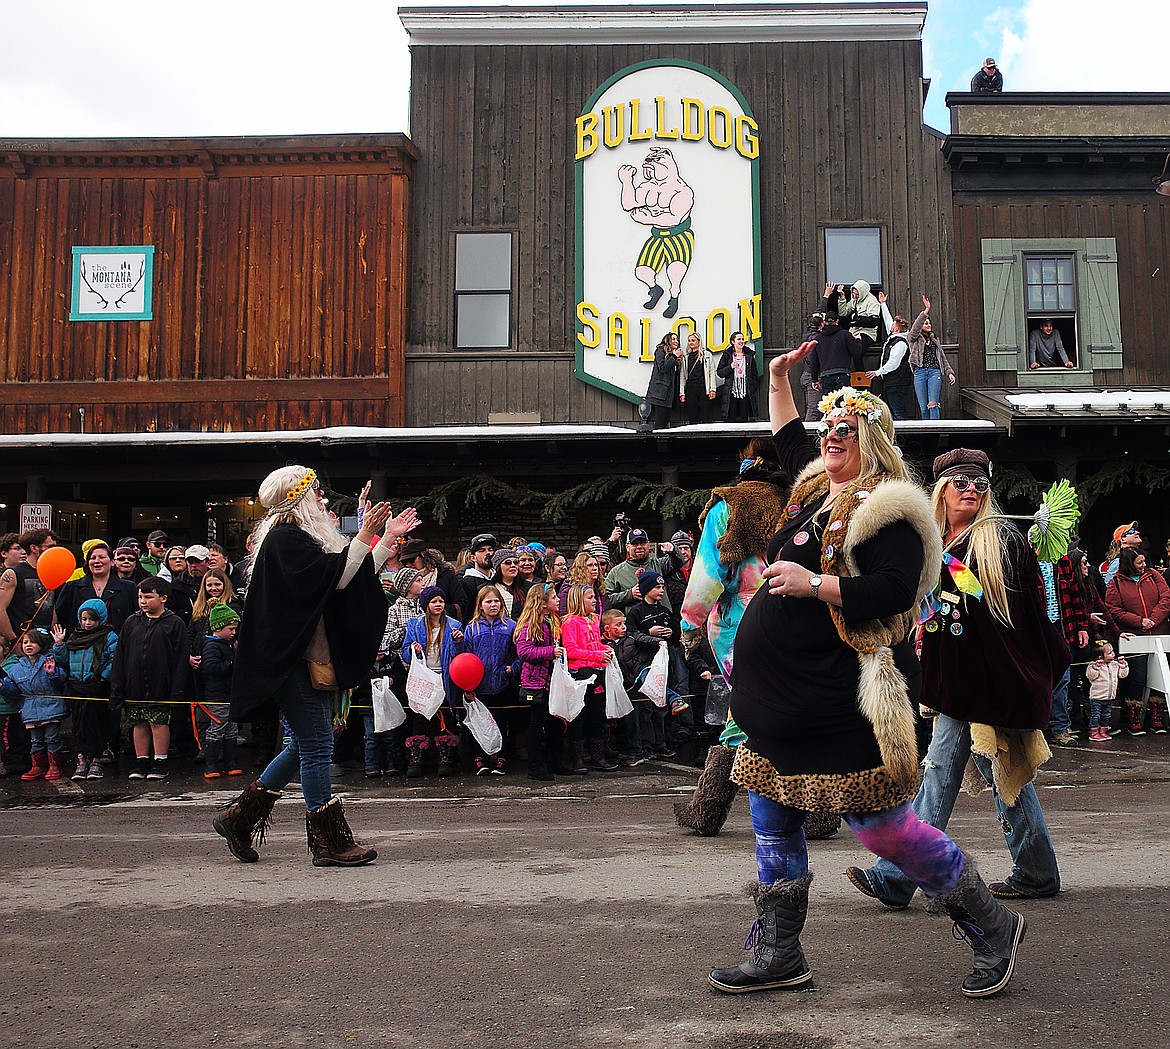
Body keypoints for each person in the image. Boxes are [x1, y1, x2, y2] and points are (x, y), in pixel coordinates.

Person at [708, 344, 1027, 1001]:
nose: (828, 436)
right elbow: (788, 432)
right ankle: (779, 951)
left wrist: (813, 583)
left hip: (845, 702)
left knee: (882, 829)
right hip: (782, 702)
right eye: (827, 428)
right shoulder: (818, 491)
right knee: (771, 810)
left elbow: (893, 588)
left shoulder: (891, 511)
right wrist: (777, 379)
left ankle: (992, 924)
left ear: (872, 440)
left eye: (843, 430)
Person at [846, 447, 1066, 912]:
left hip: (992, 685)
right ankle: (1027, 871)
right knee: (945, 775)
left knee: (997, 776)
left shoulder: (999, 540)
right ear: (941, 490)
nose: (971, 491)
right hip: (958, 688)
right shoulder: (934, 545)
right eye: (960, 483)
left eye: (980, 484)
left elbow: (1018, 621)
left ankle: (1029, 872)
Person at [215, 466, 415, 867]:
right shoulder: (285, 539)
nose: (324, 499)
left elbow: (344, 579)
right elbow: (337, 577)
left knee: (302, 744)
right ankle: (330, 842)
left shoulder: (297, 537)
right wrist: (364, 534)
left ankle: (239, 817)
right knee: (319, 744)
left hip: (303, 656)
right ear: (300, 498)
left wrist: (386, 538)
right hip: (290, 659)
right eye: (318, 493)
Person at [674, 438, 790, 836]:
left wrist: (690, 625)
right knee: (789, 708)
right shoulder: (801, 504)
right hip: (800, 617)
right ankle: (818, 811)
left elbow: (709, 572)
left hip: (742, 625)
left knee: (744, 712)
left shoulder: (729, 505)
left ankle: (707, 809)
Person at [111, 576, 190, 782]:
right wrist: (118, 688)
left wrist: (176, 691)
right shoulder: (131, 622)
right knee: (138, 723)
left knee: (158, 723)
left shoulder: (174, 623)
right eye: (140, 597)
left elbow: (181, 659)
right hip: (134, 685)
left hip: (161, 685)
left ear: (163, 598)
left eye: (148, 597)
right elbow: (120, 655)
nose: (143, 601)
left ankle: (160, 761)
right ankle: (141, 760)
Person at [1105, 545, 1170, 735]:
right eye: (1139, 562)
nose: (1143, 565)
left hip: (1158, 632)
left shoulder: (1154, 575)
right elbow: (1113, 608)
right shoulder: (1116, 582)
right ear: (1128, 564)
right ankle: (1133, 718)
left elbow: (1166, 597)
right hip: (1135, 636)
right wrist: (1139, 621)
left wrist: (1154, 620)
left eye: (1143, 561)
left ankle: (1156, 717)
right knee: (1137, 677)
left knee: (1160, 675)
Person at [51, 599, 118, 781]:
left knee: (96, 724)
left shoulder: (109, 636)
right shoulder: (75, 636)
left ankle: (96, 759)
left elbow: (114, 660)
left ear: (100, 619)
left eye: (92, 619)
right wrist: (59, 646)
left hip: (96, 687)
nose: (87, 623)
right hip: (76, 687)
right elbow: (65, 661)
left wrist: (103, 677)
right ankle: (81, 759)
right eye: (84, 619)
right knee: (78, 725)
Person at [401, 587, 465, 778]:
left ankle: (446, 757)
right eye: (434, 602)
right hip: (423, 678)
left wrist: (458, 642)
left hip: (444, 678)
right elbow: (405, 653)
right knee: (420, 718)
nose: (438, 605)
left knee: (444, 719)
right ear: (426, 605)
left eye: (441, 601)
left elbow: (460, 655)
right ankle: (416, 757)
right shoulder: (414, 625)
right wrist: (414, 650)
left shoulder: (454, 625)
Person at [462, 584, 518, 776]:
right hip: (480, 686)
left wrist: (513, 669)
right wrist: (468, 684)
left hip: (503, 683)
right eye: (488, 601)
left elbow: (518, 654)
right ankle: (481, 758)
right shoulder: (472, 628)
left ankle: (500, 758)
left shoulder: (510, 626)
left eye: (496, 601)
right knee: (480, 723)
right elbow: (466, 656)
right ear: (480, 604)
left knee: (501, 722)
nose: (493, 605)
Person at [561, 583, 617, 773]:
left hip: (596, 674)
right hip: (579, 676)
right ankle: (577, 759)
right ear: (578, 599)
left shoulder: (593, 619)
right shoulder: (569, 622)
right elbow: (571, 651)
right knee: (579, 718)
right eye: (590, 597)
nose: (594, 601)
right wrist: (598, 655)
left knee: (596, 717)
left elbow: (595, 645)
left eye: (594, 597)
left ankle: (598, 757)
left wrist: (605, 648)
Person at [1, 628, 68, 780]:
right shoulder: (16, 668)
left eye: (33, 642)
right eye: (25, 642)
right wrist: (3, 686)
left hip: (51, 706)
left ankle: (54, 765)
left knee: (52, 738)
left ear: (42, 644)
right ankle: (38, 766)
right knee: (35, 740)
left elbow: (61, 681)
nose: (28, 645)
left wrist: (53, 674)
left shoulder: (50, 660)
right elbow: (13, 691)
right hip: (30, 709)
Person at [514, 584, 564, 781]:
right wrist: (550, 652)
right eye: (554, 598)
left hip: (550, 681)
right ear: (542, 603)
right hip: (535, 682)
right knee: (536, 724)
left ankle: (554, 761)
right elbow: (524, 652)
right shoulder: (529, 625)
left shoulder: (549, 622)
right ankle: (535, 766)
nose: (558, 600)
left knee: (554, 723)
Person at [197, 604, 243, 780]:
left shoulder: (228, 645)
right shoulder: (212, 646)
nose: (233, 633)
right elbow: (211, 668)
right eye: (230, 629)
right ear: (218, 627)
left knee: (231, 729)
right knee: (217, 729)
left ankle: (231, 763)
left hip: (228, 695)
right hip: (217, 696)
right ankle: (211, 764)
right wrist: (233, 664)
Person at [54, 541, 139, 636]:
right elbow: (61, 618)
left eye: (102, 557)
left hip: (116, 645)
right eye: (92, 558)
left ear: (112, 562)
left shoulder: (128, 587)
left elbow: (136, 619)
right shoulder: (72, 587)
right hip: (80, 646)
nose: (97, 561)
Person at [908, 295, 956, 420]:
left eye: (929, 323)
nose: (928, 325)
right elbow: (915, 328)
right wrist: (926, 310)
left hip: (934, 372)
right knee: (923, 407)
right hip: (920, 372)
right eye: (925, 323)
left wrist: (949, 372)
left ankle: (935, 427)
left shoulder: (935, 340)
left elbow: (943, 358)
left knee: (933, 404)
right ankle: (927, 430)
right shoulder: (914, 339)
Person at [867, 293, 912, 421]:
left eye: (893, 326)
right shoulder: (895, 338)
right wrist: (883, 304)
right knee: (892, 410)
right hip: (891, 381)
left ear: (896, 330)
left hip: (897, 381)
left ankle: (905, 437)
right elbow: (888, 321)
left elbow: (894, 363)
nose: (890, 326)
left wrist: (878, 372)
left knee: (898, 410)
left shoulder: (900, 344)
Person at [806, 310, 862, 399]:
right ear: (837, 321)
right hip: (842, 373)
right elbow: (856, 352)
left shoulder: (818, 339)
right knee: (844, 405)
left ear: (824, 322)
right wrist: (858, 340)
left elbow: (814, 361)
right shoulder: (845, 334)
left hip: (825, 376)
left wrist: (814, 379)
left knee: (829, 405)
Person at [1085, 640, 1128, 742]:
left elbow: (1123, 675)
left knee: (1106, 715)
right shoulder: (1092, 665)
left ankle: (1103, 731)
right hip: (1097, 697)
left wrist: (1123, 665)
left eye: (1113, 652)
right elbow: (1090, 676)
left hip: (1110, 697)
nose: (1113, 654)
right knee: (1096, 715)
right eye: (1109, 653)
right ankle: (1094, 732)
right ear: (1100, 657)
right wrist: (1096, 667)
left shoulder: (1114, 664)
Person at [716, 331, 759, 423]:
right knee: (731, 418)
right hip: (732, 392)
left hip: (745, 392)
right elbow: (719, 372)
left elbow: (754, 374)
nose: (741, 341)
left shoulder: (749, 356)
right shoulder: (727, 355)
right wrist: (730, 367)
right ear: (733, 342)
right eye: (739, 339)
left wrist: (752, 387)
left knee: (745, 419)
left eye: (743, 339)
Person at [836, 280, 882, 364]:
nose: (854, 296)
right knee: (842, 347)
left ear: (863, 293)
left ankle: (862, 375)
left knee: (857, 352)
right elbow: (843, 313)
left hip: (868, 333)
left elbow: (874, 321)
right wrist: (842, 297)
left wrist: (858, 321)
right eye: (853, 293)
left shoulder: (872, 302)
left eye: (857, 294)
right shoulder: (855, 300)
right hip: (853, 332)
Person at [678, 331, 717, 424]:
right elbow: (682, 376)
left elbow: (711, 372)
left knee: (705, 415)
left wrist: (713, 389)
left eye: (693, 340)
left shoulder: (707, 355)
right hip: (690, 388)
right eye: (689, 341)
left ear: (699, 342)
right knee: (692, 415)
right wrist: (682, 393)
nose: (690, 342)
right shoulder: (685, 357)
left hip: (703, 388)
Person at [644, 332, 681, 430]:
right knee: (660, 421)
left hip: (669, 394)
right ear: (667, 340)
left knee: (666, 420)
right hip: (660, 393)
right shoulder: (660, 351)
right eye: (673, 339)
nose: (676, 341)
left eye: (677, 339)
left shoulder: (676, 356)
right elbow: (663, 367)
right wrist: (673, 356)